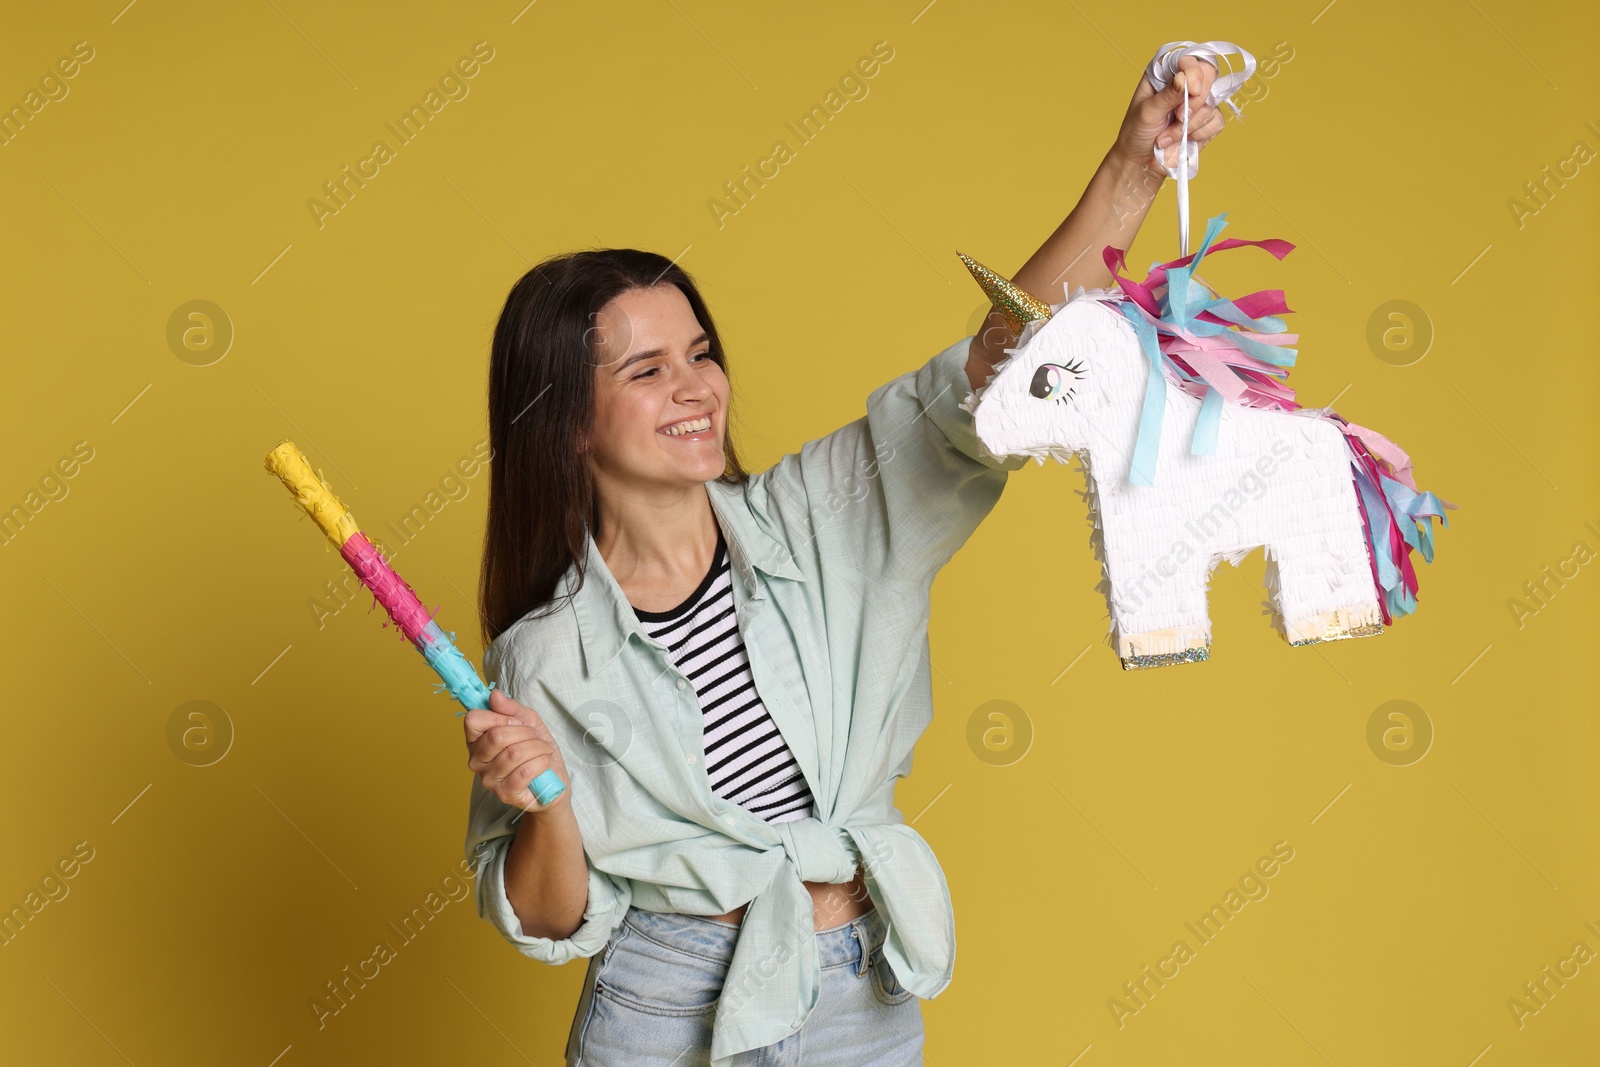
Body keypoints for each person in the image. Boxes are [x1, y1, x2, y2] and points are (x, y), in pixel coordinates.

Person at [463, 52, 1227, 1067]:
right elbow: (553, 918)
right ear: (563, 421)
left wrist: (1132, 169)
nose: (694, 387)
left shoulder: (824, 516)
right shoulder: (543, 653)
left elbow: (994, 369)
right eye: (647, 369)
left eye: (700, 352)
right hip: (663, 1003)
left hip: (858, 988)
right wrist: (548, 795)